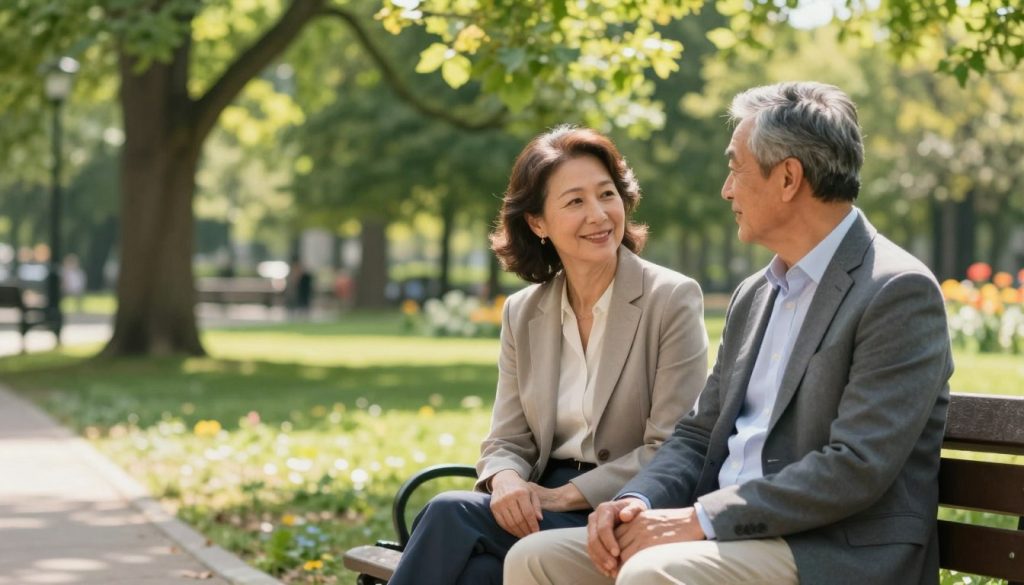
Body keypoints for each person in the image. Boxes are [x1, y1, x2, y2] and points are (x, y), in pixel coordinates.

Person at [505, 82, 953, 585]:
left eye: (735, 168)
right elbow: (698, 434)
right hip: (726, 535)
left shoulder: (895, 290)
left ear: (788, 178)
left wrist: (699, 520)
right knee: (535, 558)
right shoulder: (755, 294)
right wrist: (636, 501)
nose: (726, 189)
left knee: (650, 573)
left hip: (828, 550)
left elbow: (856, 467)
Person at [387, 126, 710, 585]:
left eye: (606, 194)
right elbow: (506, 441)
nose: (598, 215)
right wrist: (505, 482)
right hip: (539, 497)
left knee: (448, 514)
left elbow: (672, 448)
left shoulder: (670, 298)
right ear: (538, 222)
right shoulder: (525, 312)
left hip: (624, 506)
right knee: (478, 572)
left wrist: (559, 498)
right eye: (575, 201)